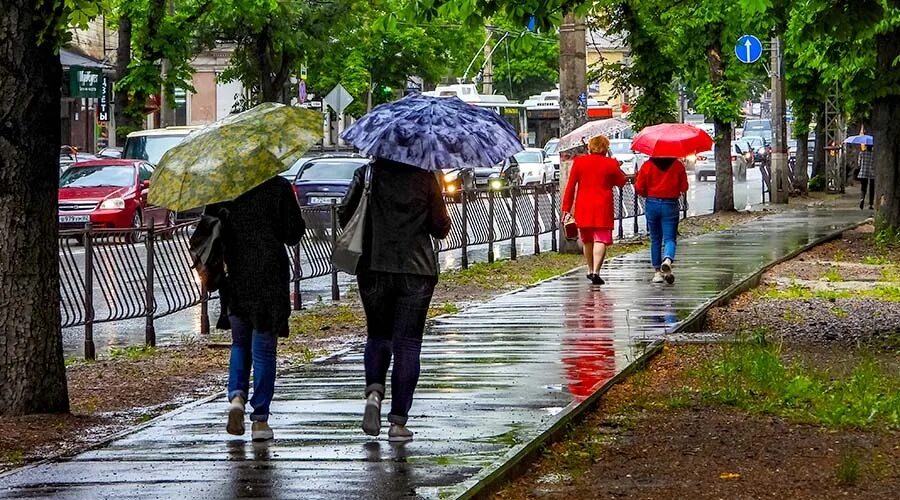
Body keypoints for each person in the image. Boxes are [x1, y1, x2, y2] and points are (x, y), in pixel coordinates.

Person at [339, 157, 451, 442]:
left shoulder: (367, 174)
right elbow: (440, 227)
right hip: (416, 270)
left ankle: (374, 393)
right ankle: (398, 423)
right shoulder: (425, 177)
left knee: (377, 335)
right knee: (408, 343)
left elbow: (345, 216)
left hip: (373, 266)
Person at [210, 175, 305, 442]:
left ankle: (236, 397)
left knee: (240, 343)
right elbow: (293, 233)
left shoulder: (225, 187)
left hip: (236, 275)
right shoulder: (278, 187)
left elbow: (213, 227)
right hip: (270, 277)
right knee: (264, 349)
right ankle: (260, 420)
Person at [561, 136, 627, 285]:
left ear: (590, 148)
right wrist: (616, 165)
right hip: (603, 206)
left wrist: (566, 209)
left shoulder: (579, 162)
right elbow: (621, 182)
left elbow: (570, 187)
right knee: (601, 239)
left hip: (584, 207)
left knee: (587, 240)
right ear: (605, 148)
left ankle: (590, 270)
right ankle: (597, 271)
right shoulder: (610, 163)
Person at [634, 156, 689, 284]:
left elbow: (639, 187)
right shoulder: (677, 165)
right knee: (670, 238)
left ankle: (657, 273)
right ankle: (668, 260)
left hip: (652, 203)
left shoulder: (647, 165)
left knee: (655, 239)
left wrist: (647, 194)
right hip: (670, 204)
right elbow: (684, 187)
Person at [858, 145, 874, 210]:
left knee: (863, 187)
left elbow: (859, 164)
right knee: (871, 189)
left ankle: (862, 198)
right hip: (872, 173)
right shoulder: (874, 154)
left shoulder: (862, 153)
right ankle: (870, 204)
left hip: (863, 173)